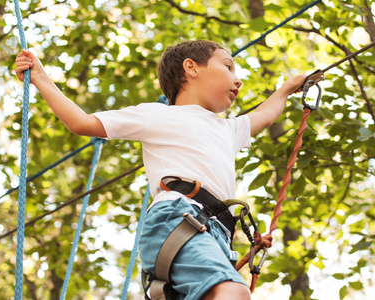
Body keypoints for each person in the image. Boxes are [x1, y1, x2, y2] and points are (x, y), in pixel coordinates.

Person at [16, 40, 305, 300]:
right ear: (191, 68)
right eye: (228, 66)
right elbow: (81, 122)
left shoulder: (229, 129)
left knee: (226, 293)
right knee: (232, 292)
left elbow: (265, 114)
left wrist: (290, 86)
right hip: (179, 217)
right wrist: (40, 77)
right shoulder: (158, 115)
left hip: (216, 234)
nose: (237, 79)